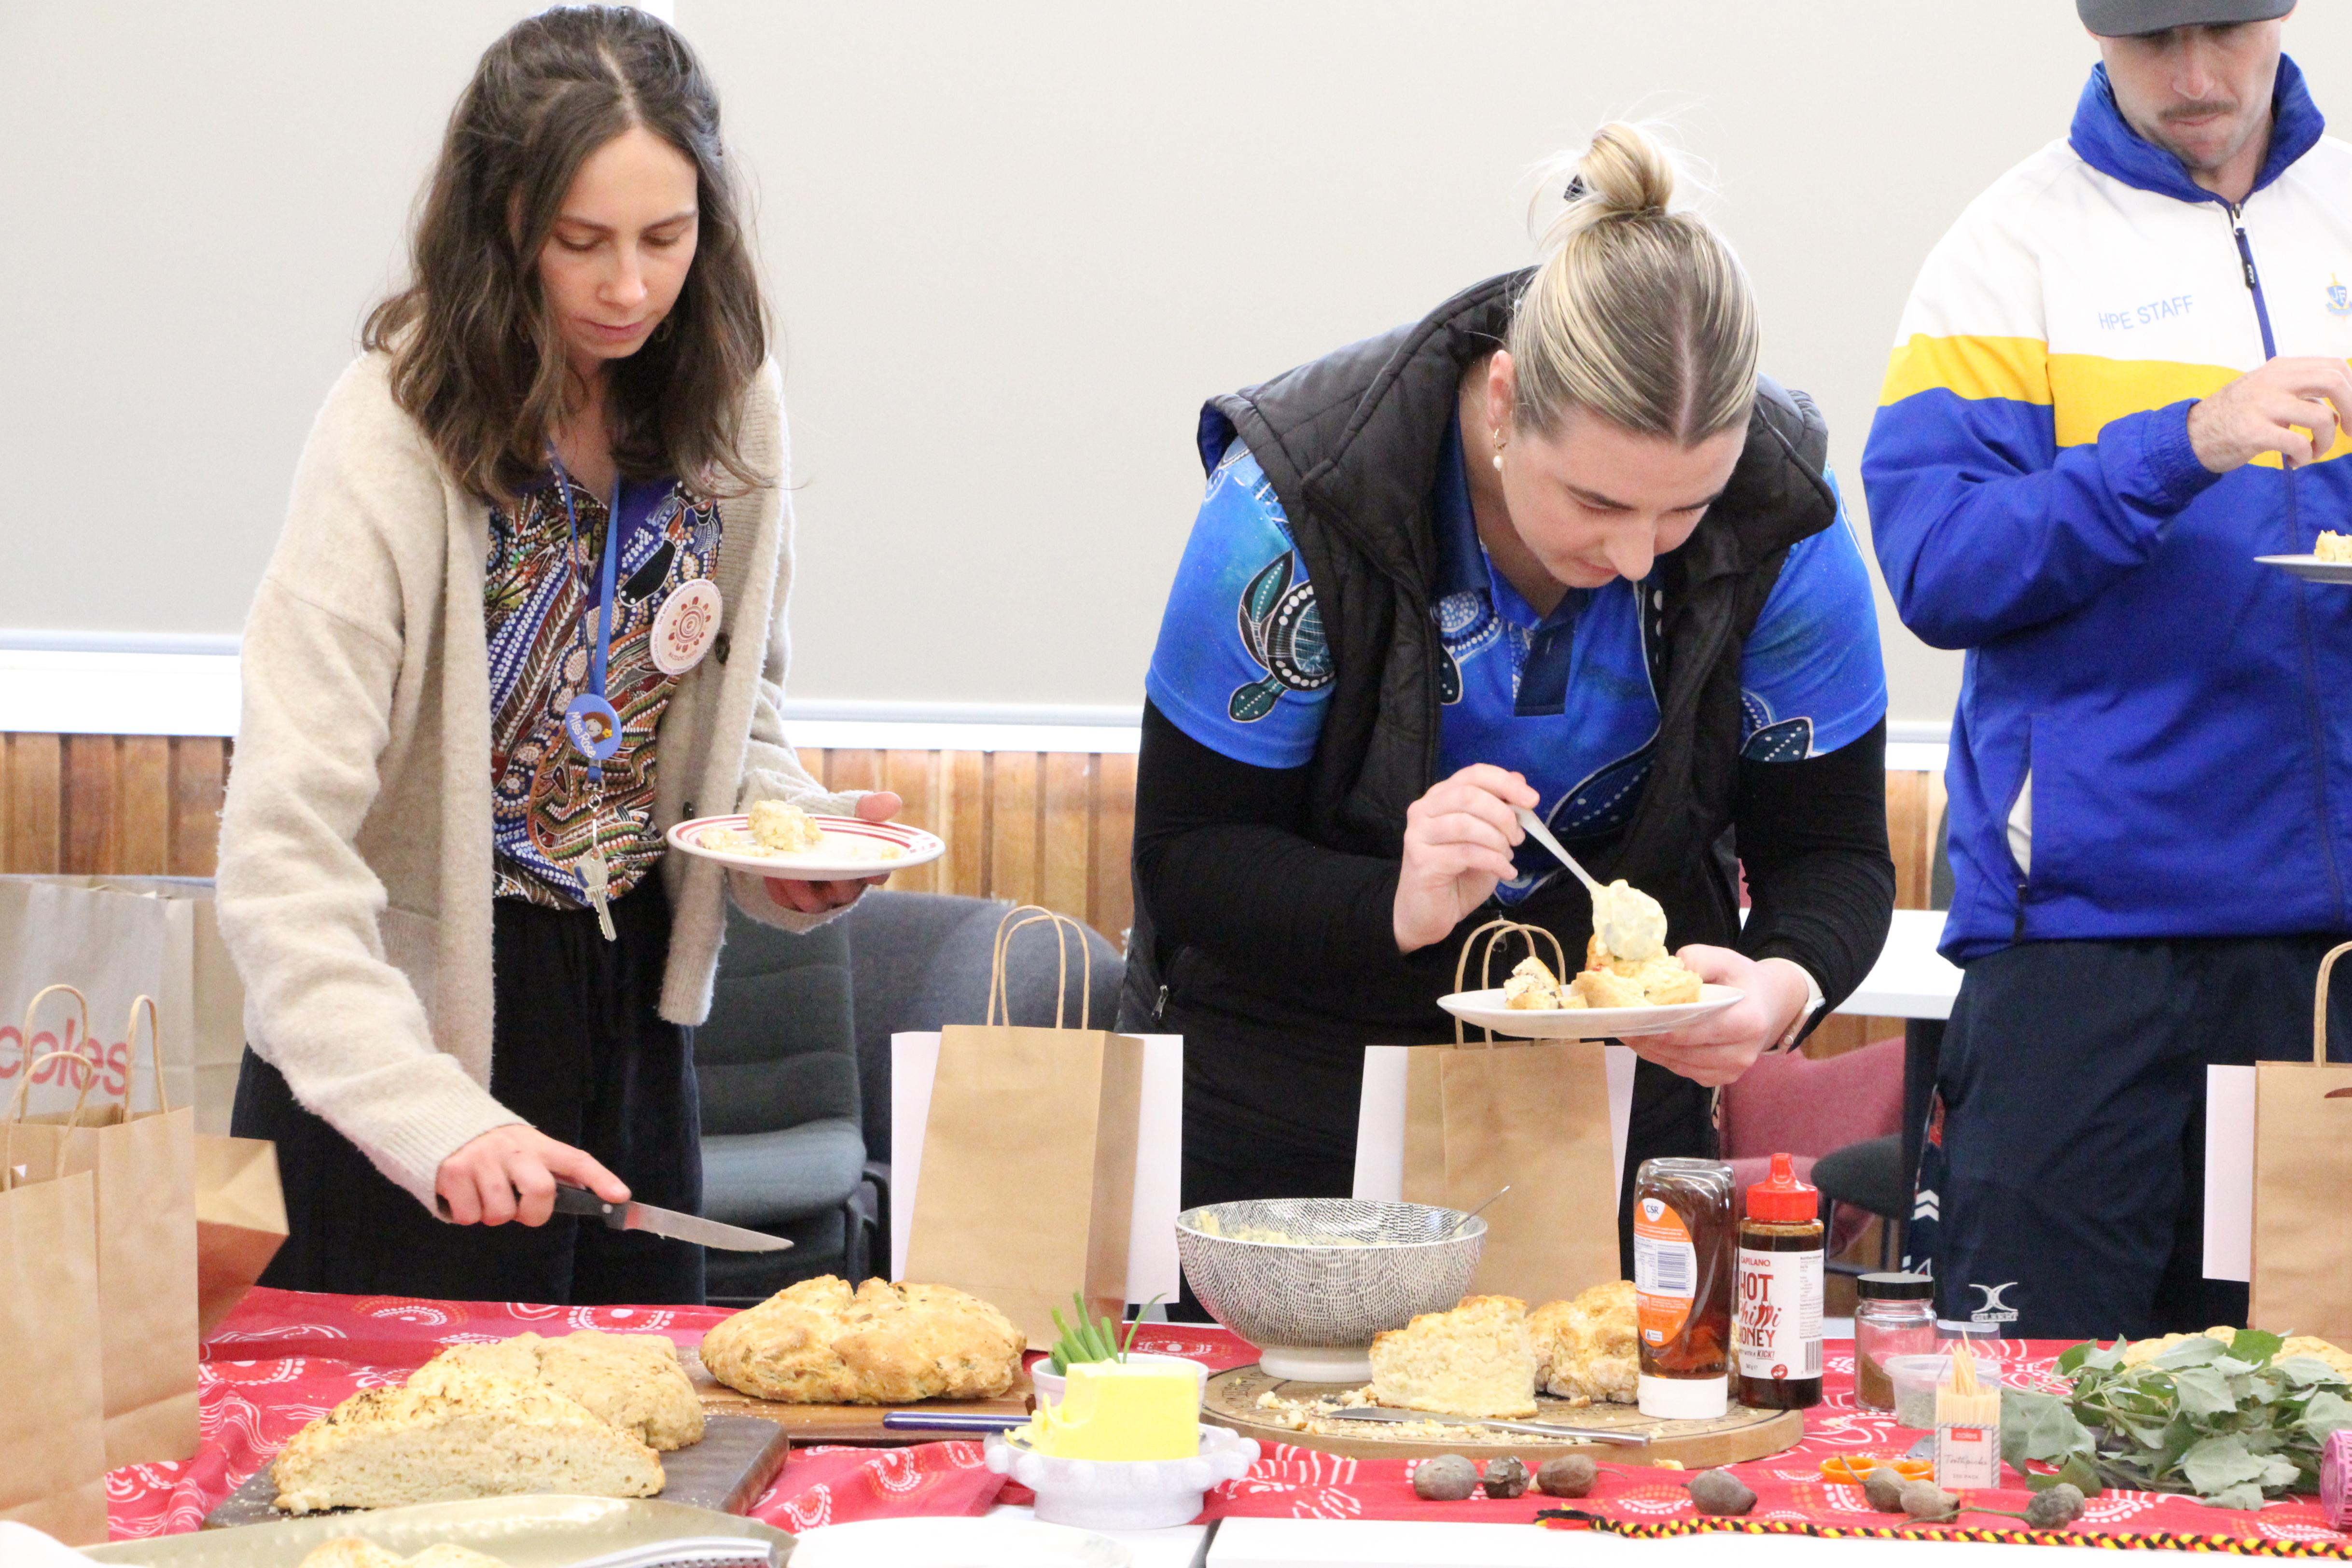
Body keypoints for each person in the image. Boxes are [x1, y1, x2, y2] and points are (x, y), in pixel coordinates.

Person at [1121, 123, 1896, 1272]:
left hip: (1612, 1100)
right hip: (1289, 1088)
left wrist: (1783, 982)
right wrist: (1396, 898)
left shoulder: (1782, 516)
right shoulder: (1295, 501)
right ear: (1502, 400)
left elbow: (1834, 853)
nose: (1637, 555)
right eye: (1596, 502)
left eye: (1683, 511)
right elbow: (1189, 857)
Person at [216, 8, 892, 1307]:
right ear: (502, 223)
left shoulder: (728, 399)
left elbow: (728, 712)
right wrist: (429, 1114)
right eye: (582, 243)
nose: (629, 287)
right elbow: (280, 853)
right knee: (423, 1425)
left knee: (645, 1409)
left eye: (665, 238)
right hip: (402, 1046)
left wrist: (786, 837)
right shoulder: (390, 434)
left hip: (629, 1010)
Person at [1863, 0, 2352, 1339]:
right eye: (2150, 40)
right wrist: (2183, 442)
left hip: (2324, 957)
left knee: (2301, 1417)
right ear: (2091, 32)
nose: (2191, 74)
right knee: (2038, 1415)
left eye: (2224, 29)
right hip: (2081, 945)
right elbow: (1938, 564)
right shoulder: (2007, 249)